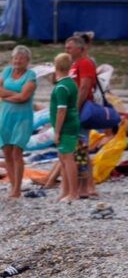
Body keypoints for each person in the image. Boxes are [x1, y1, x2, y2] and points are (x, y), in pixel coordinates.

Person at [0, 46, 37, 198]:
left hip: (22, 117)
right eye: (15, 58)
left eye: (21, 58)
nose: (17, 61)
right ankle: (13, 185)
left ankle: (17, 188)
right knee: (6, 151)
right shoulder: (6, 71)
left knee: (17, 151)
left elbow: (23, 97)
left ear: (27, 61)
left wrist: (6, 96)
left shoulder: (30, 76)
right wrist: (14, 94)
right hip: (6, 116)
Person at [49, 52, 80, 202]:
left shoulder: (62, 87)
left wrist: (57, 131)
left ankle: (73, 192)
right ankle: (65, 190)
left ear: (56, 66)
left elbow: (62, 110)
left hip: (66, 126)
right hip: (70, 124)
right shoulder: (70, 83)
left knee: (68, 158)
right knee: (63, 158)